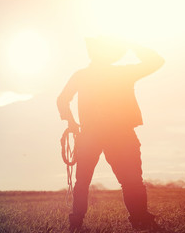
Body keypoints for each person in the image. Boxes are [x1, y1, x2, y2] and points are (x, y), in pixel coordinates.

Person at [57, 36, 164, 231]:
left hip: (91, 135)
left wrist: (72, 124)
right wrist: (132, 43)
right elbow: (157, 61)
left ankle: (76, 222)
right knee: (131, 181)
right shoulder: (122, 73)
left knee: (83, 182)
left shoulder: (82, 75)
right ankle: (141, 219)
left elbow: (62, 100)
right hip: (120, 135)